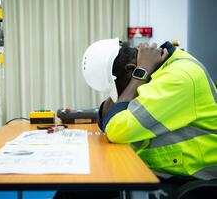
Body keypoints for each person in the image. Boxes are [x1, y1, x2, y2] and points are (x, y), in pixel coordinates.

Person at [80, 38, 217, 198]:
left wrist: (140, 73)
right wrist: (136, 75)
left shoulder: (178, 77)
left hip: (190, 180)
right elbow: (105, 118)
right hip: (160, 169)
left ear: (130, 69)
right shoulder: (158, 72)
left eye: (119, 89)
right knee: (79, 189)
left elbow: (116, 129)